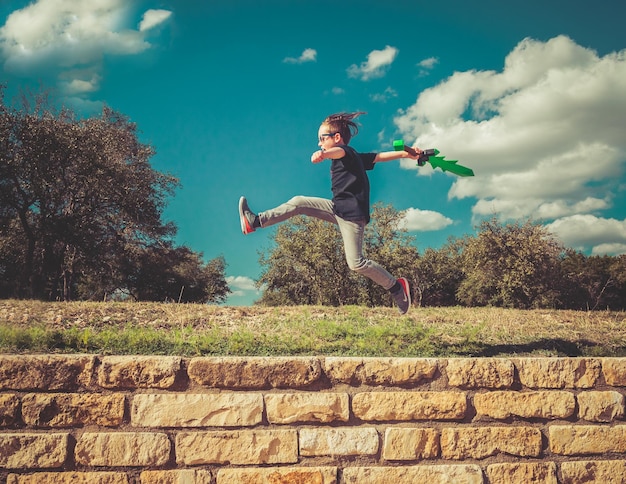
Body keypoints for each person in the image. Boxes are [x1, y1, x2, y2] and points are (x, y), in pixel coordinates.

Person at [238, 111, 422, 314]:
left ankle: (397, 287)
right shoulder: (356, 158)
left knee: (356, 263)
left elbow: (339, 152)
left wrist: (325, 154)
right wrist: (406, 154)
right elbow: (379, 156)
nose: (319, 143)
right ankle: (254, 222)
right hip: (336, 209)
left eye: (321, 139)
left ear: (336, 138)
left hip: (352, 217)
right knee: (299, 202)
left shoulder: (345, 152)